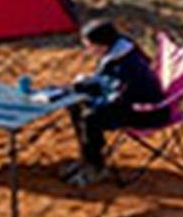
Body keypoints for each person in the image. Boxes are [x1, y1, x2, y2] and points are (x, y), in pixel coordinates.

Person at [62, 19, 167, 186]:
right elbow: (108, 83)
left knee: (91, 118)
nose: (88, 51)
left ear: (102, 44)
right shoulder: (119, 50)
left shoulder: (125, 65)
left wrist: (91, 99)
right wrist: (85, 86)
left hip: (146, 113)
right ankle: (88, 157)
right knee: (75, 105)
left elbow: (116, 98)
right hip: (126, 102)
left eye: (89, 46)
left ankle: (96, 168)